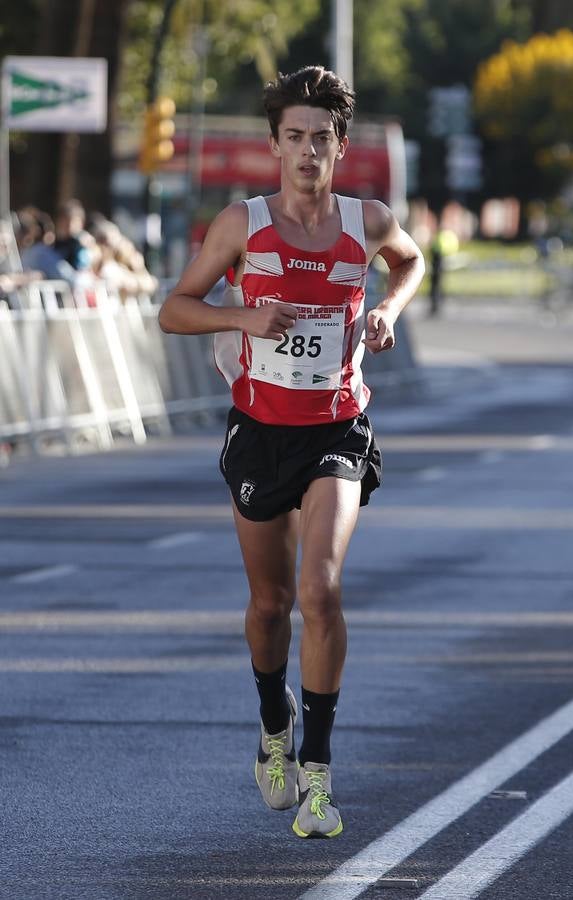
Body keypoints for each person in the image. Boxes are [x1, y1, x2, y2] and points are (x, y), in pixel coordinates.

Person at [158, 65, 425, 839]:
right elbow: (175, 311)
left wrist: (388, 311)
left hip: (337, 426)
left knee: (322, 591)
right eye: (295, 138)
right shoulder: (242, 225)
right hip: (260, 433)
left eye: (322, 140)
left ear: (341, 148)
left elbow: (410, 262)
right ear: (275, 143)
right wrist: (241, 316)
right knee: (270, 606)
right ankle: (272, 728)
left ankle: (318, 774)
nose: (308, 152)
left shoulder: (365, 222)